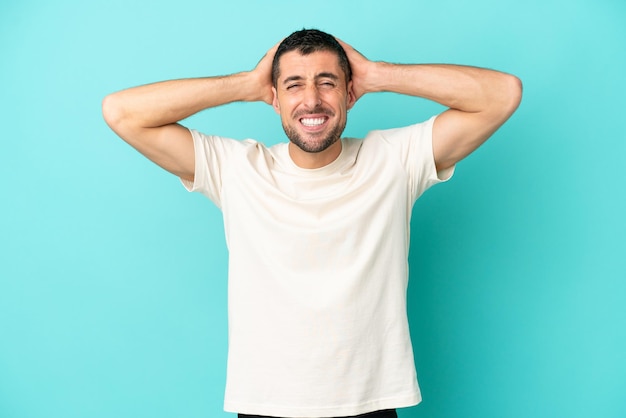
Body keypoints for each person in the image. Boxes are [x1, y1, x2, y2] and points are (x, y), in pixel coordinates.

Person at [102, 29, 522, 418]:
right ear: (276, 98)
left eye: (326, 82)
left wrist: (377, 74)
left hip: (371, 404)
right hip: (267, 404)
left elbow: (502, 94)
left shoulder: (395, 160)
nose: (312, 100)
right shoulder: (238, 169)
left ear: (349, 93)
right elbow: (121, 112)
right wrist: (245, 84)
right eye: (293, 85)